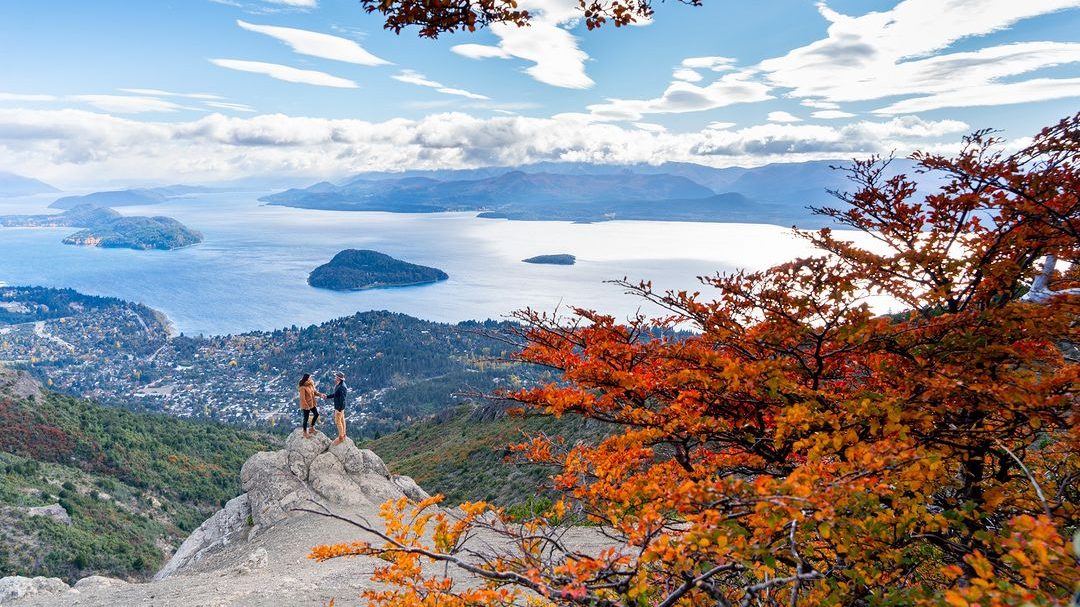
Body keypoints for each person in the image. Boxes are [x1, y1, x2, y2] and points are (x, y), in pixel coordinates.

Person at [324, 371, 348, 445]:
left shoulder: (341, 387)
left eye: (336, 377)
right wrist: (327, 396)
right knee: (342, 420)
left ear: (338, 378)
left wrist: (339, 409)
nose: (334, 378)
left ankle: (341, 438)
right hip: (340, 406)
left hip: (339, 407)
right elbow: (336, 395)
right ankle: (343, 435)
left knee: (338, 422)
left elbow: (342, 399)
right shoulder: (340, 385)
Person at [297, 373, 323, 438]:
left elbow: (315, 392)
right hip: (306, 405)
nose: (311, 378)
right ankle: (305, 432)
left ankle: (311, 427)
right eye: (310, 377)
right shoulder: (302, 387)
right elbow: (302, 398)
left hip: (312, 403)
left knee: (316, 414)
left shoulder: (311, 384)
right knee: (306, 418)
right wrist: (306, 406)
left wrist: (320, 395)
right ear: (307, 378)